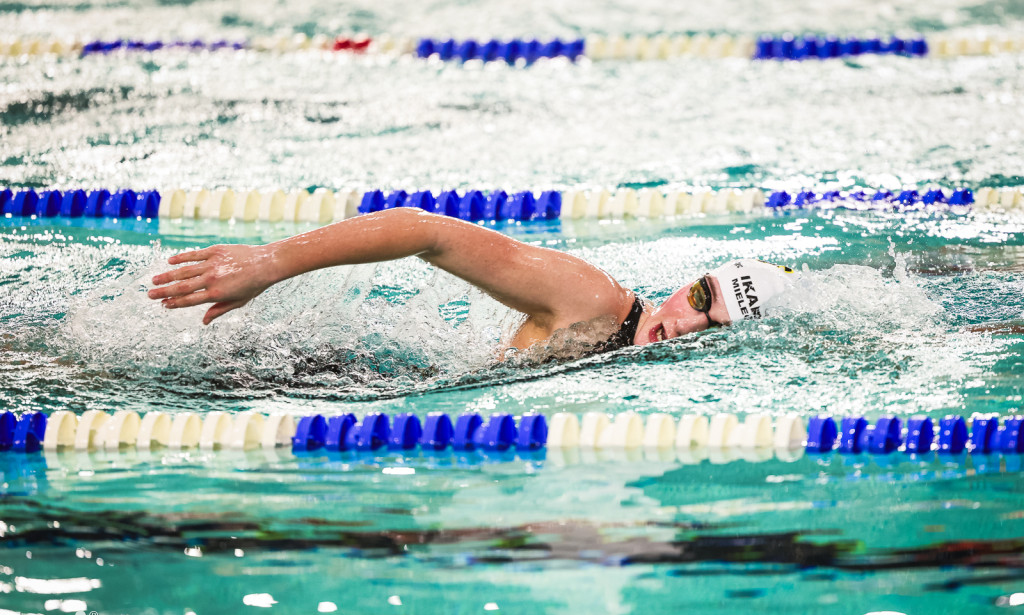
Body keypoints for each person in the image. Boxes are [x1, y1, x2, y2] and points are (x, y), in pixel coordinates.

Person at [148, 207, 794, 356]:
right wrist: (271, 261)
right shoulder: (596, 302)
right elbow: (429, 232)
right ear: (690, 281)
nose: (684, 322)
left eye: (714, 330)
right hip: (342, 381)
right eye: (701, 299)